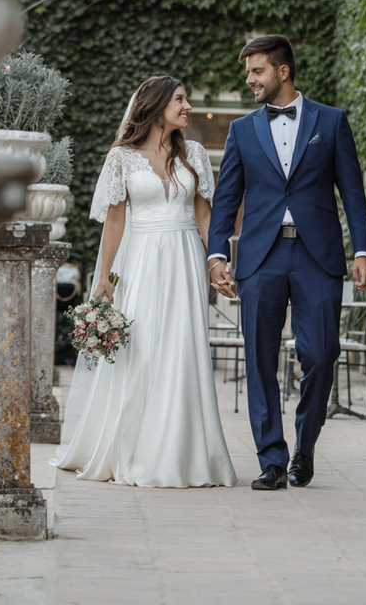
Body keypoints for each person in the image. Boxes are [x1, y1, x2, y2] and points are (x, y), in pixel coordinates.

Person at [50, 76, 236, 488]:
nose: (187, 106)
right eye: (180, 100)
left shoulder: (196, 154)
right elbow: (115, 222)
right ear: (155, 106)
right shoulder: (122, 159)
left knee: (183, 349)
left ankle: (184, 450)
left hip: (186, 257)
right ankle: (138, 447)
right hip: (143, 263)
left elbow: (205, 216)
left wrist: (216, 264)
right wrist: (104, 280)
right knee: (145, 350)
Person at [208, 35, 366, 490]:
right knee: (259, 359)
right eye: (248, 73)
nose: (250, 80)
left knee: (321, 354)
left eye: (257, 71)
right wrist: (217, 255)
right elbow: (226, 199)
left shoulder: (332, 122)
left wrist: (363, 250)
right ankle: (272, 460)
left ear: (282, 71)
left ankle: (305, 447)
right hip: (260, 256)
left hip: (316, 254)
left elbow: (352, 192)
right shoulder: (242, 130)